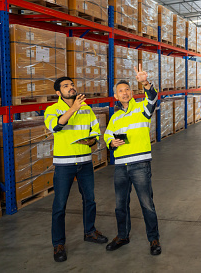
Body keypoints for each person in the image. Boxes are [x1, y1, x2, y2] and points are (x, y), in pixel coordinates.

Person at [44, 77, 108, 262]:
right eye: (66, 86)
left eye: (71, 85)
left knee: (90, 200)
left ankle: (89, 232)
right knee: (59, 205)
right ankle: (58, 244)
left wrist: (92, 140)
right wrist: (73, 109)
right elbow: (55, 126)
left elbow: (95, 131)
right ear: (58, 93)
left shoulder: (86, 109)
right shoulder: (52, 109)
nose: (71, 88)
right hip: (64, 165)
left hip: (85, 162)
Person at [104, 65, 161, 256]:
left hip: (140, 164)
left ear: (131, 92)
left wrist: (145, 82)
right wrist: (111, 142)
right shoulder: (115, 117)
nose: (125, 93)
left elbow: (153, 98)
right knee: (121, 204)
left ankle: (153, 239)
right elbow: (107, 136)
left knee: (146, 203)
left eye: (127, 89)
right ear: (116, 96)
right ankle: (122, 235)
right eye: (120, 91)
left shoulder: (142, 108)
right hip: (121, 166)